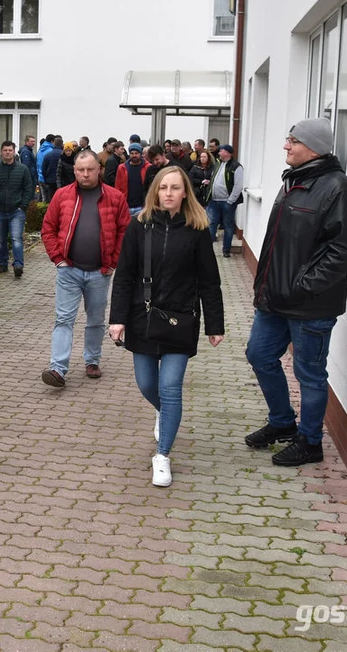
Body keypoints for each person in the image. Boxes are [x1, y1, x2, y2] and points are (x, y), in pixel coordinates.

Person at [244, 118, 347, 466]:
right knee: (259, 355)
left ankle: (310, 442)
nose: (286, 146)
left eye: (293, 140)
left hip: (310, 305)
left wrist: (302, 286)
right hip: (274, 299)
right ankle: (282, 422)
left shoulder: (338, 188)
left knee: (309, 374)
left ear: (313, 147)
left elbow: (344, 251)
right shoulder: (293, 182)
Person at [109, 166, 225, 486]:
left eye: (175, 188)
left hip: (181, 320)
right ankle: (165, 412)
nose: (169, 193)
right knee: (148, 385)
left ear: (185, 192)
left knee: (170, 387)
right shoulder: (139, 226)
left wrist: (215, 325)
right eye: (163, 188)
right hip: (142, 318)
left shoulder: (198, 229)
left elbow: (210, 282)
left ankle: (162, 455)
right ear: (155, 192)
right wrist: (117, 319)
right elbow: (124, 277)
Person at [41, 149, 130, 387]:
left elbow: (124, 231)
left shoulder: (114, 197)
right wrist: (58, 259)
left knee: (96, 320)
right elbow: (48, 228)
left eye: (90, 169)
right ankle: (57, 368)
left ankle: (92, 360)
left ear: (99, 169)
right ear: (74, 171)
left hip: (100, 272)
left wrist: (113, 262)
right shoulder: (62, 196)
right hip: (68, 270)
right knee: (63, 319)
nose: (85, 174)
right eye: (80, 170)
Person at [0, 140, 34, 277]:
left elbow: (28, 189)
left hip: (16, 211)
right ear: (1, 152)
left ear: (14, 152)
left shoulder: (22, 169)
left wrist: (23, 206)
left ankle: (18, 265)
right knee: (0, 240)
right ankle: (2, 264)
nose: (7, 152)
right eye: (5, 150)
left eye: (10, 150)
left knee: (16, 238)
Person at [206, 144, 244, 257]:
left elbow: (238, 186)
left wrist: (230, 201)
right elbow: (213, 178)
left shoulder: (236, 167)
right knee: (212, 224)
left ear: (228, 153)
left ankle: (226, 250)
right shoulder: (218, 164)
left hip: (227, 202)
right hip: (214, 201)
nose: (219, 153)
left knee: (228, 225)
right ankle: (207, 248)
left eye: (221, 151)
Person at [114, 142, 153, 215]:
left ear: (140, 154)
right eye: (132, 153)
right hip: (126, 206)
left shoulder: (148, 167)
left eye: (136, 153)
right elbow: (117, 187)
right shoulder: (122, 168)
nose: (134, 155)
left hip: (141, 206)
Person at [41, 137, 63, 203]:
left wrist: (46, 179)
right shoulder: (64, 155)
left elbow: (43, 169)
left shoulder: (48, 155)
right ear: (62, 144)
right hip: (62, 182)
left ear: (54, 144)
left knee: (51, 200)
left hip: (50, 181)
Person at [19, 135, 38, 200]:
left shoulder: (29, 151)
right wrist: (30, 177)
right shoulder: (26, 152)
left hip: (31, 177)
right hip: (30, 178)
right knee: (29, 196)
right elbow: (26, 166)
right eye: (31, 141)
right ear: (26, 142)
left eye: (34, 141)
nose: (33, 143)